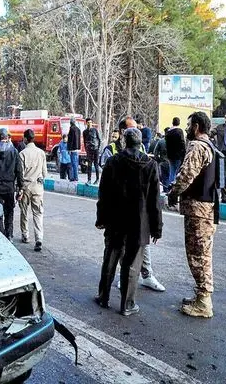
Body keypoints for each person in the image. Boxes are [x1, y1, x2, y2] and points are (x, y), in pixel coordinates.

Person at [95, 128, 162, 316]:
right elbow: (154, 201)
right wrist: (156, 228)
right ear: (140, 143)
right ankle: (127, 305)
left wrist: (101, 219)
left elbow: (104, 194)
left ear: (124, 141)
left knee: (110, 258)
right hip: (139, 224)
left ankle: (103, 297)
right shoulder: (150, 165)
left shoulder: (113, 162)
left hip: (115, 221)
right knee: (132, 264)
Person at [168, 112, 219, 318]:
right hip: (206, 209)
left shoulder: (198, 146)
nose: (188, 129)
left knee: (199, 255)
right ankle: (200, 296)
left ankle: (204, 302)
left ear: (196, 127)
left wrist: (173, 193)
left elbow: (186, 175)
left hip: (199, 210)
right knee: (201, 253)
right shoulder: (211, 146)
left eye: (189, 125)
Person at [18, 129, 47, 252]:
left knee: (24, 213)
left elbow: (20, 174)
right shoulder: (41, 153)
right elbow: (44, 172)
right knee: (38, 213)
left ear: (25, 139)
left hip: (25, 188)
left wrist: (19, 189)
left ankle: (25, 235)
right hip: (38, 188)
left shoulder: (22, 154)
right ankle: (39, 238)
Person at [165, 117, 186, 192]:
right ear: (179, 123)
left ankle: (169, 188)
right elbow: (182, 143)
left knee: (172, 172)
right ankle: (175, 189)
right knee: (178, 172)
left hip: (170, 155)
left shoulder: (168, 132)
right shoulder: (179, 131)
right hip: (178, 155)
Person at [82, 117, 101, 184]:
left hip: (95, 149)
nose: (89, 124)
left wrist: (98, 148)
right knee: (89, 165)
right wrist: (86, 150)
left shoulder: (95, 130)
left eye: (90, 122)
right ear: (86, 123)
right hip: (89, 150)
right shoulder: (84, 132)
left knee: (96, 165)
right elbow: (84, 141)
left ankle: (97, 179)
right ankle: (89, 180)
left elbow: (99, 139)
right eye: (88, 122)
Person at [67, 118, 81, 182]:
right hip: (77, 149)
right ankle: (75, 177)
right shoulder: (78, 129)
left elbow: (71, 140)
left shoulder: (72, 129)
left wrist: (69, 149)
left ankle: (74, 178)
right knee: (76, 163)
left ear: (71, 122)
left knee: (73, 164)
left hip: (73, 149)